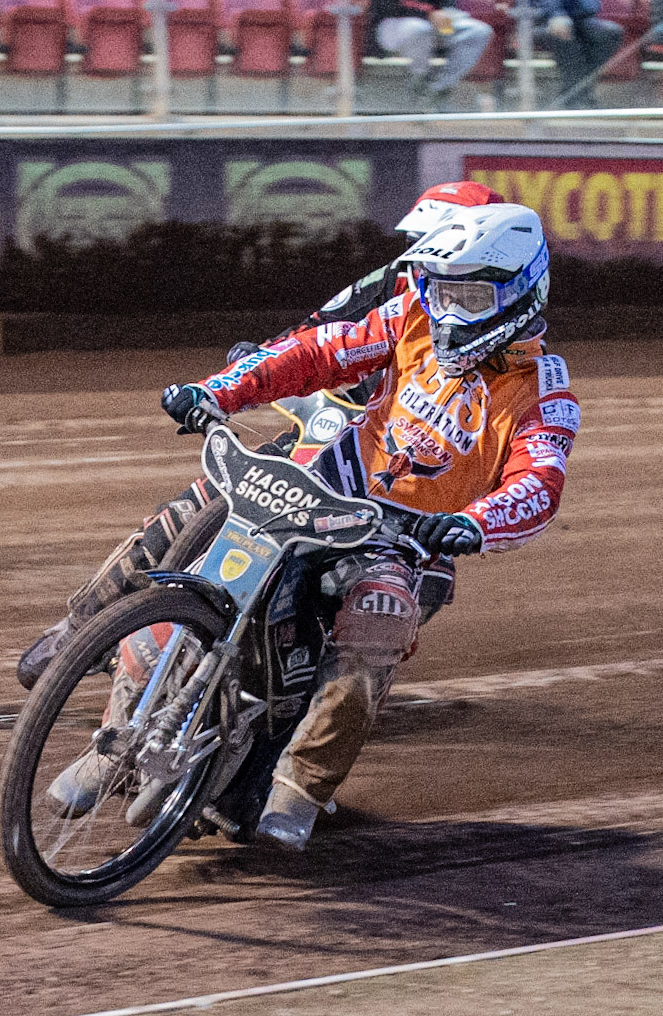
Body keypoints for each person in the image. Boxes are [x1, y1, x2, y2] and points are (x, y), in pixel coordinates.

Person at [53, 204, 578, 852]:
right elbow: (317, 352)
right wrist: (219, 391)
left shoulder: (545, 394)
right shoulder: (409, 315)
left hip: (401, 539)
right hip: (321, 487)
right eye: (441, 289)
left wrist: (466, 524)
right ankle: (114, 743)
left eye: (464, 294)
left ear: (518, 293)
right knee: (197, 572)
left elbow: (537, 486)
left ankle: (299, 788)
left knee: (379, 620)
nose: (445, 309)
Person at [17, 180, 506, 692]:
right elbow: (311, 337)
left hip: (406, 497)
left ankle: (327, 690)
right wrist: (252, 367)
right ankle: (79, 630)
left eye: (438, 244)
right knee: (189, 507)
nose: (422, 260)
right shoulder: (392, 285)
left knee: (409, 586)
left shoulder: (505, 342)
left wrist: (465, 518)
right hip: (328, 446)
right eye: (420, 244)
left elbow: (508, 452)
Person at [369, 0, 494, 109]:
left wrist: (447, 19)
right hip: (394, 24)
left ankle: (439, 88)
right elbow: (385, 7)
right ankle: (420, 82)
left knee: (478, 32)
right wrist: (427, 13)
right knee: (419, 29)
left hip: (432, 24)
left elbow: (446, 7)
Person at [534, 0, 625, 107]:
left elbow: (591, 6)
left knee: (611, 33)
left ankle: (580, 92)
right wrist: (556, 14)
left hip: (581, 19)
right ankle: (574, 99)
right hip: (542, 20)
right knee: (567, 36)